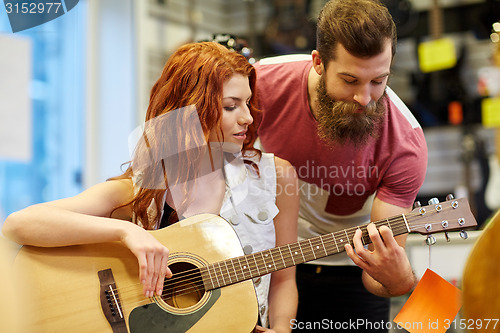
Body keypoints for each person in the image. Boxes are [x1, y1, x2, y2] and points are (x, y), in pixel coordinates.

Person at [2, 42, 299, 333]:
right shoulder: (142, 190)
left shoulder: (274, 177)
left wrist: (282, 329)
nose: (247, 117)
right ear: (190, 110)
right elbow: (19, 224)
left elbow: (284, 279)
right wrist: (126, 231)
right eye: (231, 106)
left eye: (247, 103)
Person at [253, 0, 428, 331]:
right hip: (271, 262)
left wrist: (399, 278)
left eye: (379, 81)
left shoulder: (404, 143)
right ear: (318, 62)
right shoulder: (261, 83)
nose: (365, 98)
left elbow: (379, 280)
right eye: (350, 80)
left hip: (351, 272)